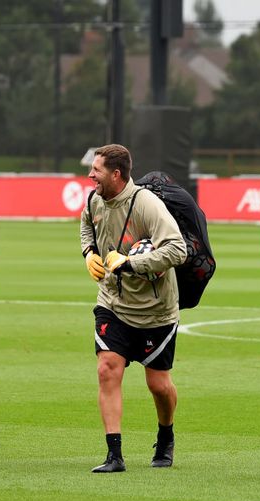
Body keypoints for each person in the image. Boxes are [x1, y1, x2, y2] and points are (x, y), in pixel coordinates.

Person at [80, 144, 187, 473]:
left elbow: (178, 249)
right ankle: (114, 455)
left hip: (156, 311)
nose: (89, 175)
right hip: (112, 303)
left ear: (115, 174)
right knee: (106, 369)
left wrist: (131, 263)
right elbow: (87, 226)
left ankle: (166, 434)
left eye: (95, 170)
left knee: (158, 386)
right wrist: (88, 253)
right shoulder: (94, 200)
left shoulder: (147, 205)